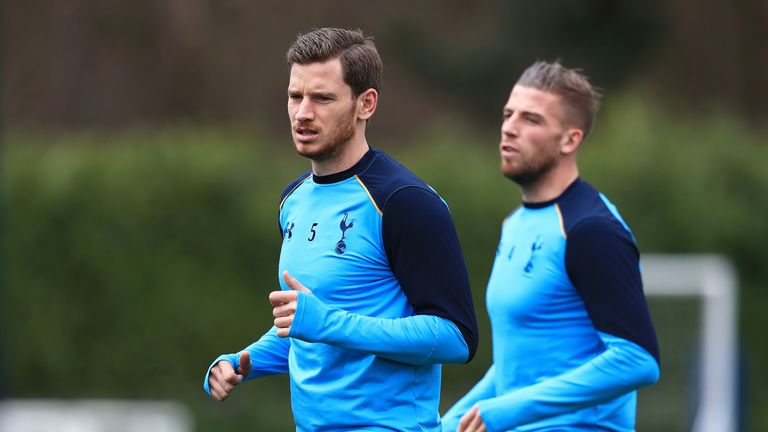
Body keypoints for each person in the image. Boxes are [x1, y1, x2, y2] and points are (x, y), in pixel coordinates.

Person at [203, 27, 479, 431]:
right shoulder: (292, 200)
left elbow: (456, 339)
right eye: (295, 96)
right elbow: (311, 328)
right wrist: (245, 361)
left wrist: (325, 322)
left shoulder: (405, 202)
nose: (302, 113)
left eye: (322, 98)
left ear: (365, 103)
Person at [442, 61, 660, 432]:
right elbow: (517, 367)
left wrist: (511, 410)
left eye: (531, 119)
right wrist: (446, 425)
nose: (510, 127)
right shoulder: (515, 224)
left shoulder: (591, 230)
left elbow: (637, 359)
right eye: (508, 114)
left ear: (570, 140)